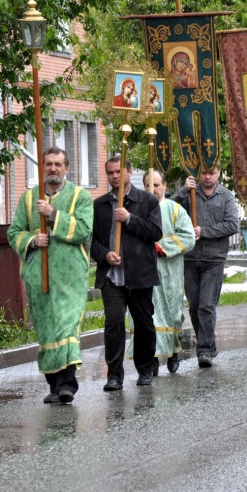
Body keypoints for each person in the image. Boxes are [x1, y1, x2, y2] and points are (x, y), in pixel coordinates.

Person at [7, 146, 93, 404]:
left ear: (67, 168)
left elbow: (85, 230)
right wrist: (33, 240)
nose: (53, 169)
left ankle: (67, 385)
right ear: (42, 168)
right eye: (48, 164)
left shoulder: (81, 196)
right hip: (39, 276)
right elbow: (14, 232)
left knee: (67, 326)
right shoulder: (28, 198)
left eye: (58, 164)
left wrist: (53, 215)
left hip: (70, 277)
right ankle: (54, 386)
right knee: (47, 330)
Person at [91, 157, 163, 391]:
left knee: (143, 323)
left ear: (129, 172)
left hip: (139, 275)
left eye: (118, 171)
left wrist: (129, 219)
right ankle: (114, 375)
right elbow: (92, 241)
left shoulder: (147, 201)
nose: (114, 176)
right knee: (113, 323)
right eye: (110, 172)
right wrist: (105, 255)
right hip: (112, 276)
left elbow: (156, 232)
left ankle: (144, 369)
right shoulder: (99, 205)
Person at [171, 163, 240, 367]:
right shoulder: (189, 193)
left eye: (212, 173)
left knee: (207, 305)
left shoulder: (226, 196)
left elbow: (232, 224)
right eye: (204, 173)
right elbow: (166, 207)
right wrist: (184, 189)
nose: (208, 177)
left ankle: (205, 350)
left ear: (219, 173)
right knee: (194, 306)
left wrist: (203, 231)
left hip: (214, 258)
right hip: (190, 257)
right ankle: (208, 343)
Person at [145, 170, 195, 374]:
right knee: (149, 314)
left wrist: (162, 247)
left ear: (164, 186)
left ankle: (174, 351)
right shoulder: (139, 209)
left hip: (170, 270)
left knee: (172, 313)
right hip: (146, 271)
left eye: (156, 185)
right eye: (149, 185)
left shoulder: (174, 209)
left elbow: (189, 237)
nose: (153, 189)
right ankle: (152, 358)